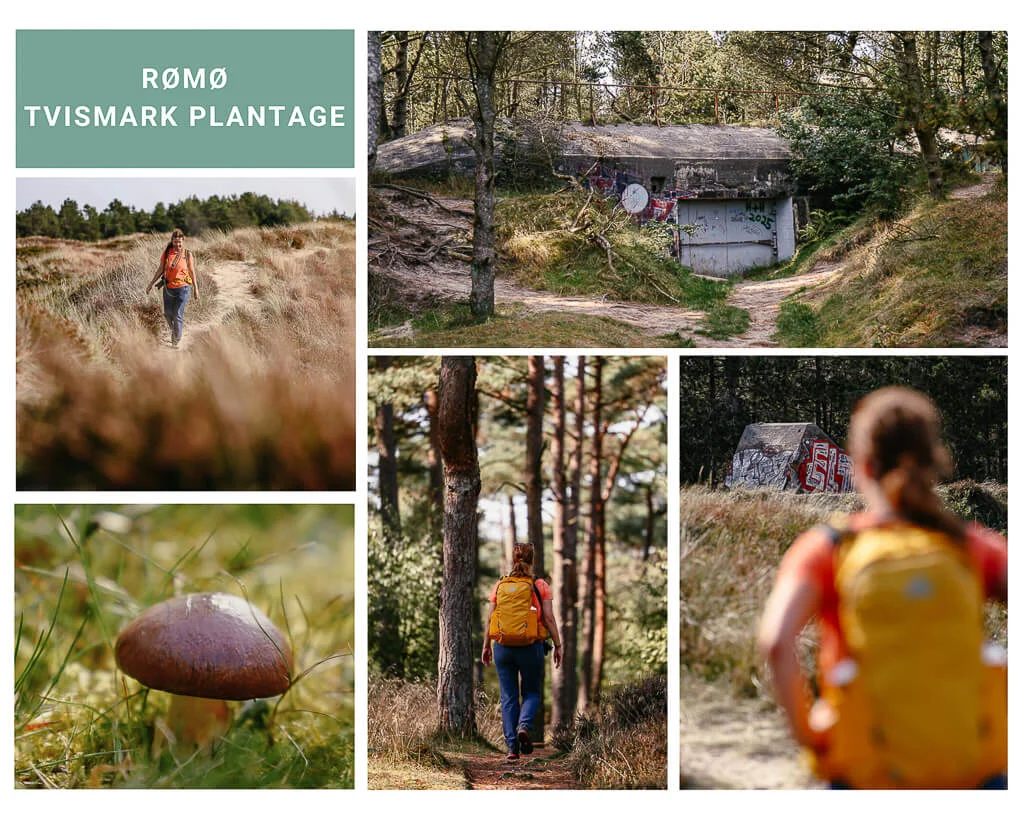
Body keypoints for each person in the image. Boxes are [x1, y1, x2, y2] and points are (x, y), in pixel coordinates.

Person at [758, 386, 1007, 789]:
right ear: (933, 460)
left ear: (861, 466)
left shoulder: (828, 548)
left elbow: (775, 642)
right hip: (971, 767)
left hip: (864, 770)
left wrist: (812, 738)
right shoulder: (970, 544)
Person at [481, 542, 563, 762]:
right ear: (532, 559)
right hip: (530, 647)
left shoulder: (500, 585)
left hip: (503, 647)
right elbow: (548, 618)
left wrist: (486, 645)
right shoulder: (539, 585)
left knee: (508, 698)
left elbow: (490, 618)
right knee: (532, 693)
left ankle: (512, 749)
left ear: (513, 559)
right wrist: (558, 644)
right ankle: (524, 726)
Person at [146, 228, 200, 347]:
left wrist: (196, 288)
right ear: (172, 241)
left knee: (177, 314)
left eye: (180, 242)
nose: (178, 244)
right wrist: (150, 284)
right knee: (167, 313)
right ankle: (175, 331)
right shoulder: (166, 253)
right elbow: (160, 269)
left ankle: (176, 340)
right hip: (168, 288)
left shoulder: (187, 254)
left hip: (183, 288)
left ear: (183, 241)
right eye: (176, 242)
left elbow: (192, 271)